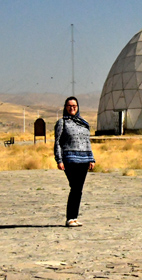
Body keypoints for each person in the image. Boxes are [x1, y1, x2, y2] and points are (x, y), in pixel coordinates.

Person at [54, 96, 95, 227]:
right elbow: (57, 142)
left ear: (78, 107)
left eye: (74, 106)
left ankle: (74, 217)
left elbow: (87, 142)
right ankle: (70, 218)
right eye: (69, 106)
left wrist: (91, 158)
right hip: (69, 159)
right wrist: (59, 160)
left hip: (84, 160)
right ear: (65, 107)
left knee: (78, 189)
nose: (72, 108)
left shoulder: (84, 123)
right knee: (75, 188)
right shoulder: (62, 122)